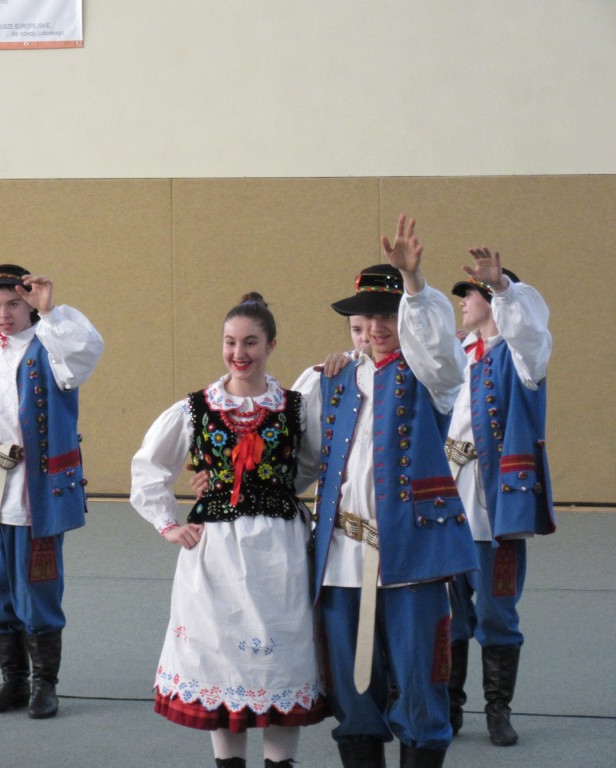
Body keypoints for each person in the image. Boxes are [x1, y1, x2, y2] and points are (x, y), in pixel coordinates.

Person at [294, 215, 478, 768]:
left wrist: (415, 285)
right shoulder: (328, 381)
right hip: (343, 559)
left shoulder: (433, 378)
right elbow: (299, 466)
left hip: (414, 555)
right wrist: (226, 483)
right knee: (353, 695)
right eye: (362, 317)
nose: (372, 326)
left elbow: (440, 352)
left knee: (423, 689)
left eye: (385, 315)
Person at [131, 294, 328, 768]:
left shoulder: (296, 407)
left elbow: (311, 466)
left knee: (281, 658)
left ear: (271, 344)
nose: (239, 353)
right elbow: (149, 467)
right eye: (230, 342)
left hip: (279, 550)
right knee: (220, 656)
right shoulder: (196, 407)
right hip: (214, 552)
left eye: (251, 342)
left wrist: (270, 488)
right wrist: (168, 526)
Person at [0, 264, 103, 720]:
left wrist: (51, 310)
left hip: (32, 487)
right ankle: (13, 683)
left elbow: (85, 353)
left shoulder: (51, 347)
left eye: (14, 304)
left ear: (29, 305)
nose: (3, 314)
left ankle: (46, 685)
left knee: (37, 585)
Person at [443, 249, 554, 746]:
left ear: (489, 299)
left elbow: (530, 332)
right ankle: (449, 708)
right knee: (447, 612)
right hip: (448, 501)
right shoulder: (455, 353)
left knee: (495, 610)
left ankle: (497, 710)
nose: (462, 302)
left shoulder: (521, 354)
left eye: (469, 293)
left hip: (496, 505)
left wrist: (504, 287)